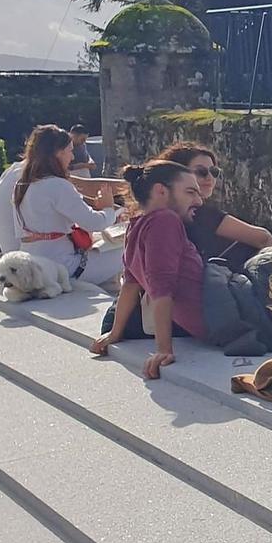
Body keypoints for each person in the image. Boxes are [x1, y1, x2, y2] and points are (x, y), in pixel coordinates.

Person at [90, 161, 207, 380]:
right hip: (225, 314)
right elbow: (162, 290)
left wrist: (114, 334)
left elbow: (130, 286)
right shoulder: (165, 220)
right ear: (161, 191)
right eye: (190, 192)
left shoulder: (137, 225)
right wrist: (164, 349)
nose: (199, 201)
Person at [10, 124, 123, 286]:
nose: (73, 157)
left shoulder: (21, 185)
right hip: (64, 268)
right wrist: (108, 208)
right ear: (58, 153)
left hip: (33, 263)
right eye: (70, 151)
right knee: (129, 248)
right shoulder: (57, 185)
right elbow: (96, 223)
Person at [156, 142, 272, 274]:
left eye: (214, 172)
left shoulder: (159, 211)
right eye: (201, 172)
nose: (209, 178)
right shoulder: (198, 213)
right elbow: (264, 238)